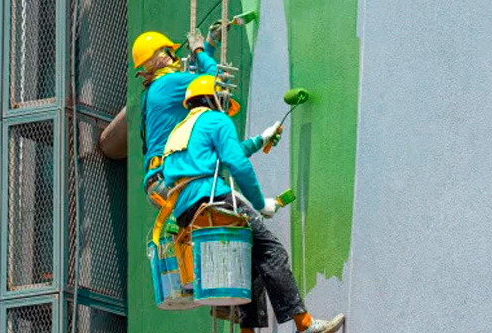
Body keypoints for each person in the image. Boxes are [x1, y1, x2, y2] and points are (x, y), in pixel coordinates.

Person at [162, 75, 345, 333]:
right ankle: (304, 324)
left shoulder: (182, 129)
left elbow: (223, 154)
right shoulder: (216, 119)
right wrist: (260, 204)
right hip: (212, 199)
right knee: (272, 251)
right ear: (216, 97)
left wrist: (261, 139)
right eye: (224, 102)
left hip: (186, 212)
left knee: (245, 261)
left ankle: (247, 331)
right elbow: (236, 164)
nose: (226, 109)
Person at [134, 28, 224, 210]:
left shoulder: (154, 89)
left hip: (157, 182)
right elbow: (214, 80)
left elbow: (197, 83)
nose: (173, 56)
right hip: (172, 178)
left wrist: (210, 44)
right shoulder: (170, 83)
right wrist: (199, 50)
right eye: (170, 52)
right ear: (161, 56)